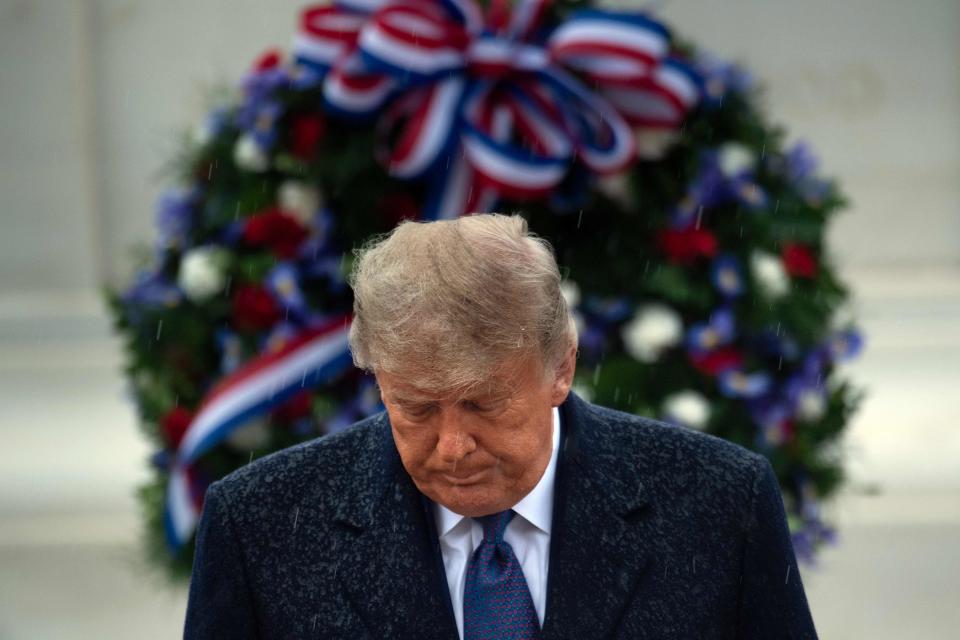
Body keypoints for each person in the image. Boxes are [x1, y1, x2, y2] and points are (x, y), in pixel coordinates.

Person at [184, 213, 818, 639]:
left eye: (484, 404)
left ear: (561, 368)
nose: (453, 447)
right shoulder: (259, 526)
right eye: (417, 408)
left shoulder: (720, 502)